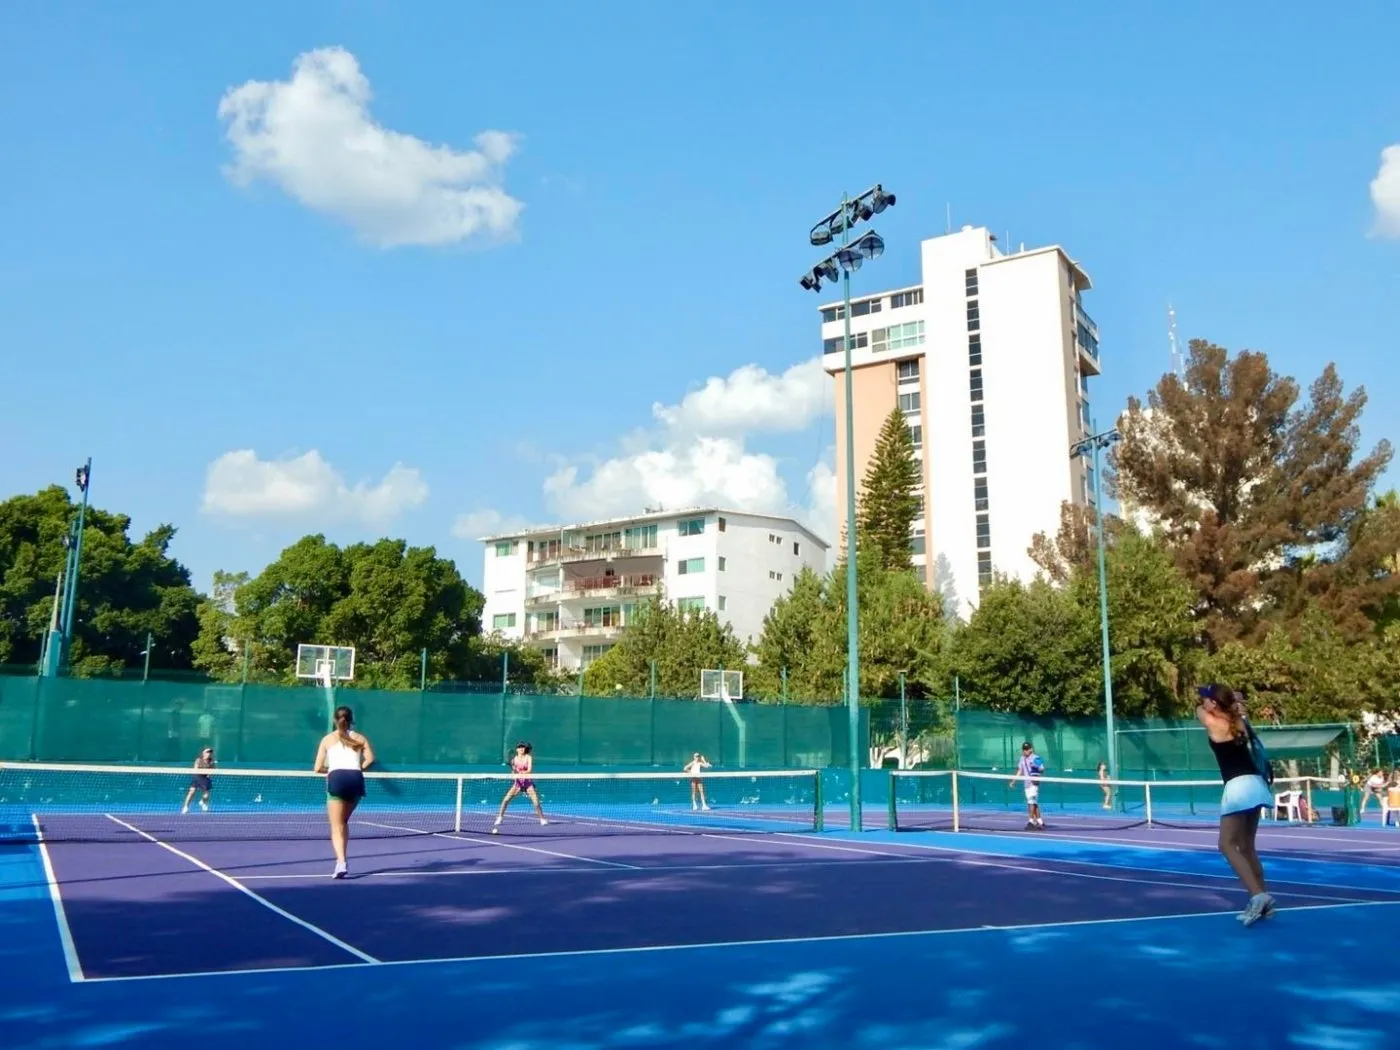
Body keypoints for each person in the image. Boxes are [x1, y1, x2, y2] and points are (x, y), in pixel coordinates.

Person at [1196, 684, 1275, 925]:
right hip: (1256, 783)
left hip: (1238, 787)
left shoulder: (1214, 722)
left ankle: (1257, 895)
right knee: (1247, 846)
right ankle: (1264, 901)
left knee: (1226, 845)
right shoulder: (1238, 722)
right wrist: (1232, 706)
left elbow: (1198, 710)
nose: (1202, 702)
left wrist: (1218, 704)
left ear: (1214, 704)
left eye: (1207, 699)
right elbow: (1221, 710)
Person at [313, 705, 375, 879]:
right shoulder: (360, 738)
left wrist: (333, 770)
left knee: (336, 825)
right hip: (356, 779)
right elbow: (370, 760)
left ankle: (341, 862)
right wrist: (357, 768)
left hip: (337, 779)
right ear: (351, 719)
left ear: (335, 720)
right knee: (343, 822)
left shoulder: (327, 740)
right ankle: (342, 860)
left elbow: (317, 768)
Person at [492, 742, 547, 834]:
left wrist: (521, 773)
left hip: (528, 784)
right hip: (517, 784)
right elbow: (513, 773)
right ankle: (500, 817)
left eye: (523, 747)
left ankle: (542, 819)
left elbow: (529, 770)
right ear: (517, 749)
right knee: (505, 800)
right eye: (519, 747)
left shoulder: (528, 758)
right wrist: (514, 773)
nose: (521, 749)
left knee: (536, 802)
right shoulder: (514, 760)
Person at [1009, 741, 1045, 830]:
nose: (1025, 751)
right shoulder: (1022, 759)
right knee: (1033, 803)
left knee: (1031, 802)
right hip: (1026, 784)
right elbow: (1020, 771)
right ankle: (1040, 822)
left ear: (1031, 749)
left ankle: (1031, 821)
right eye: (1024, 750)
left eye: (1027, 749)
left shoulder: (1036, 758)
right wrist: (1013, 781)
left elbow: (1042, 769)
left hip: (1034, 783)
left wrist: (1037, 768)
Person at [181, 747, 215, 814]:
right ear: (203, 753)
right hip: (197, 777)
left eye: (210, 752)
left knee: (206, 795)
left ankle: (202, 802)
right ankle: (185, 807)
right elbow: (195, 769)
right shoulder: (198, 760)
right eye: (207, 752)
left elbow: (212, 770)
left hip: (205, 778)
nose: (209, 753)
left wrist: (209, 774)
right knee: (191, 792)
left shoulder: (212, 762)